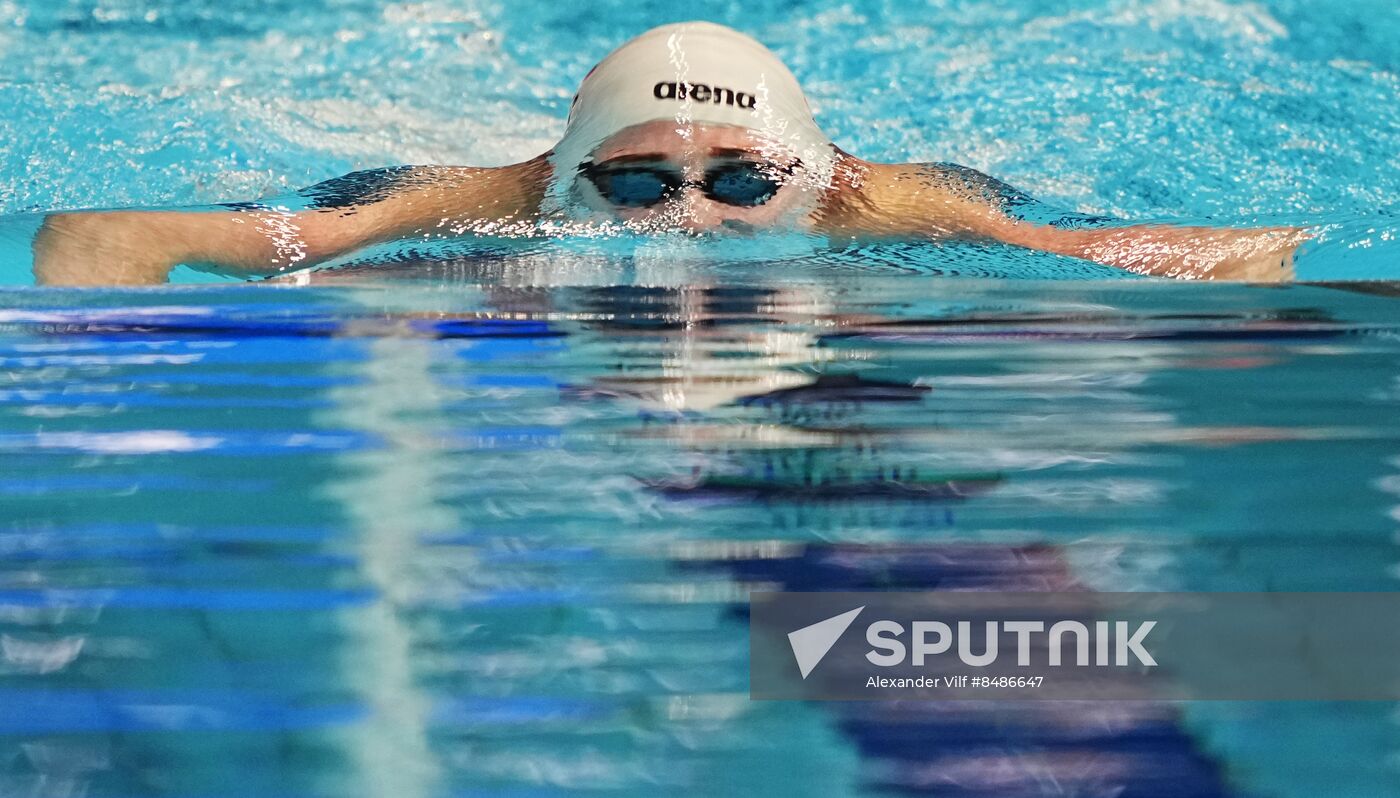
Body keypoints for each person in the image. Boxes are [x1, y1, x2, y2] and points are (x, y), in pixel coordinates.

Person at [31, 21, 1306, 286]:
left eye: (742, 179)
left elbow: (1235, 252)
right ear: (567, 174)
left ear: (815, 176)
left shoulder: (876, 204)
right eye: (637, 181)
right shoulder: (495, 201)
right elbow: (95, 234)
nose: (688, 215)